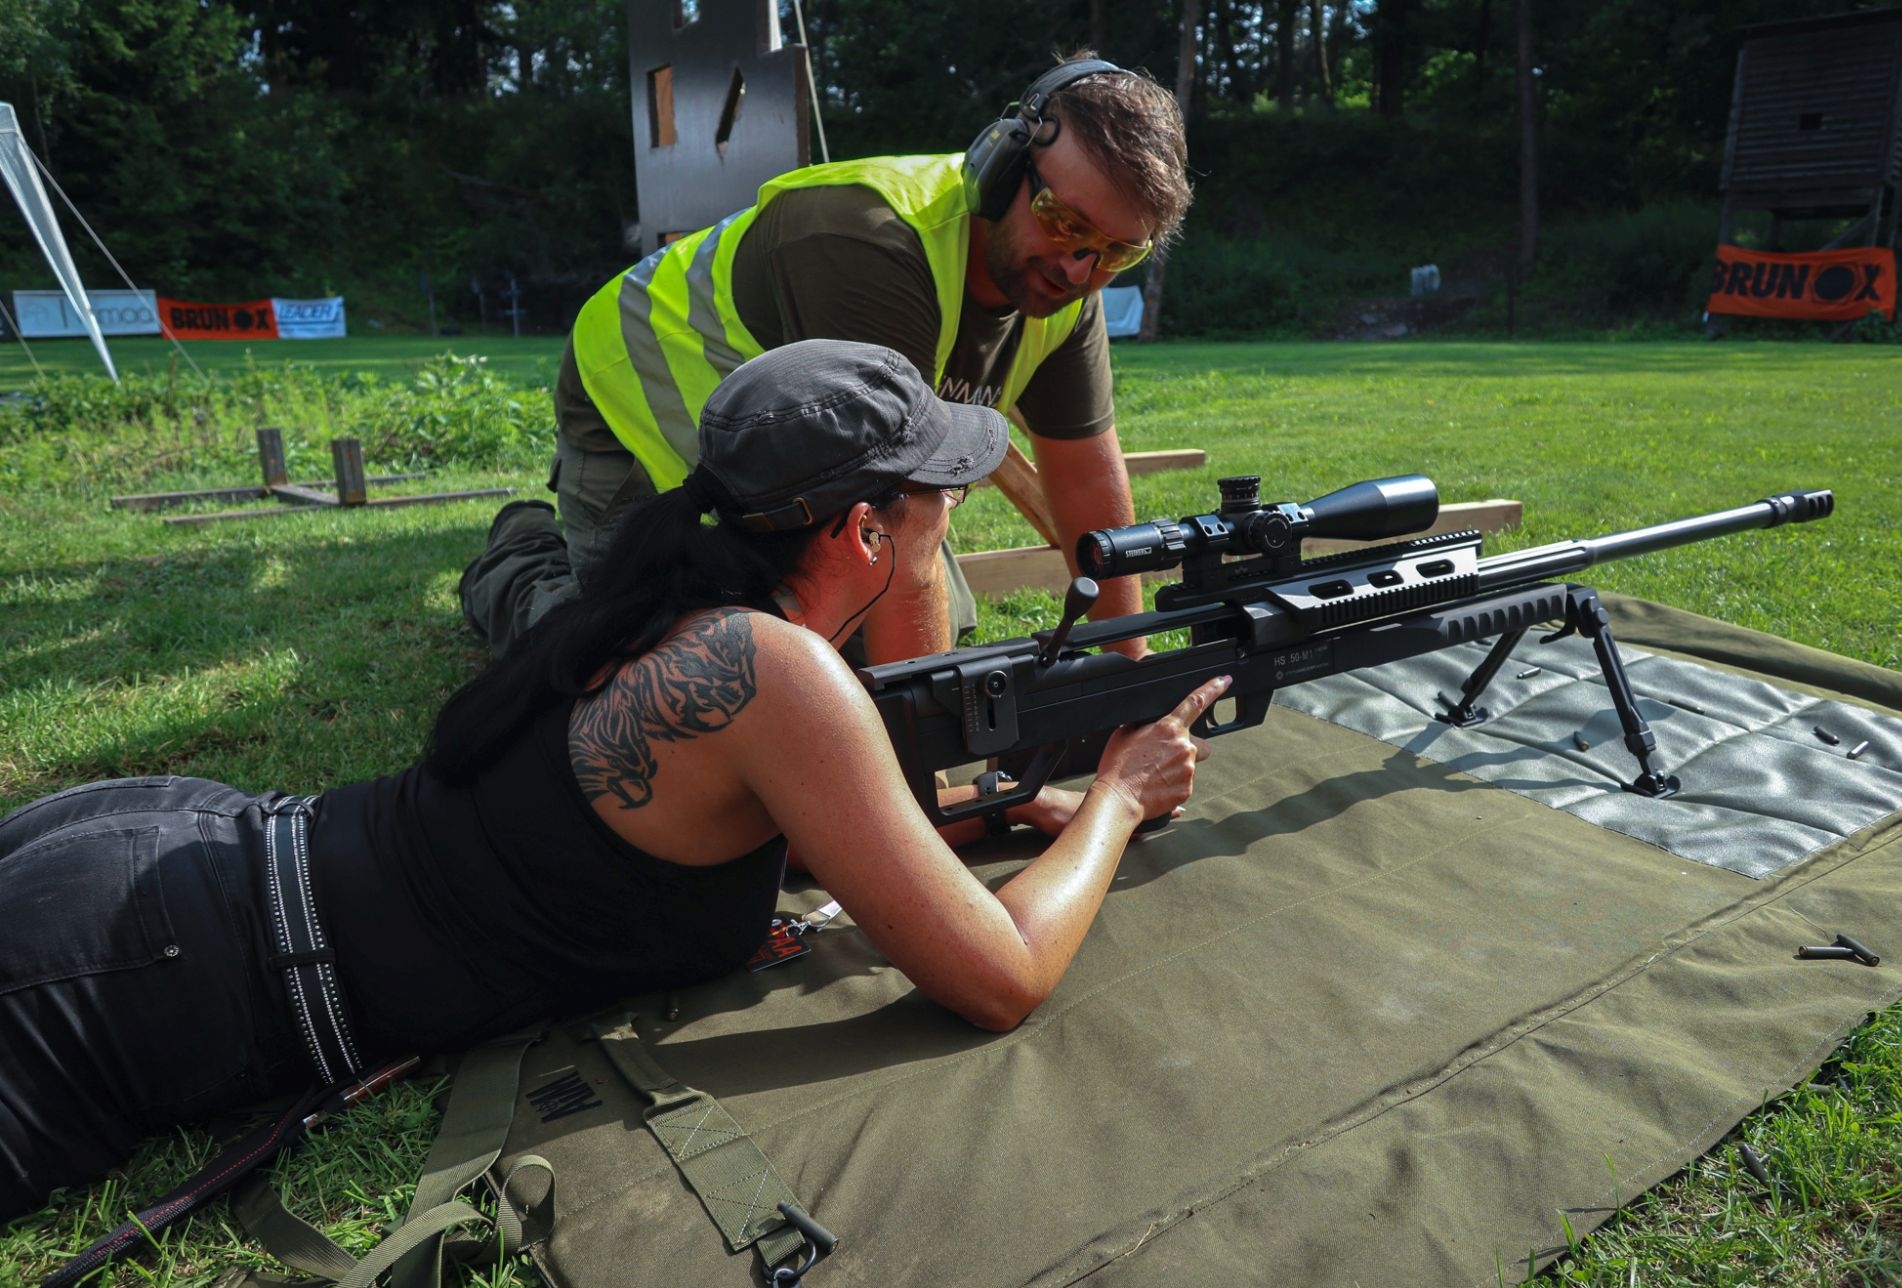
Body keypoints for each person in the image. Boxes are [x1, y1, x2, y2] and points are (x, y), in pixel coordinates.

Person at [0, 340, 1228, 1225]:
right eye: (935, 501)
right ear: (862, 532)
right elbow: (1001, 978)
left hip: (173, 865)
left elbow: (810, 837)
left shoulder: (680, 600)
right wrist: (1118, 793)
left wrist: (1000, 808)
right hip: (139, 978)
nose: (946, 517)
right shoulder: (778, 670)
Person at [458, 53, 1193, 662]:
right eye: (1062, 221)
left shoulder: (1068, 286)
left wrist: (1129, 676)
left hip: (788, 436)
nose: (1079, 267)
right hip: (636, 388)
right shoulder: (873, 244)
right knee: (663, 662)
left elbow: (1085, 479)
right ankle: (518, 561)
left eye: (1117, 251)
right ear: (1001, 168)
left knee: (918, 623)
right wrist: (923, 760)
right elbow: (900, 518)